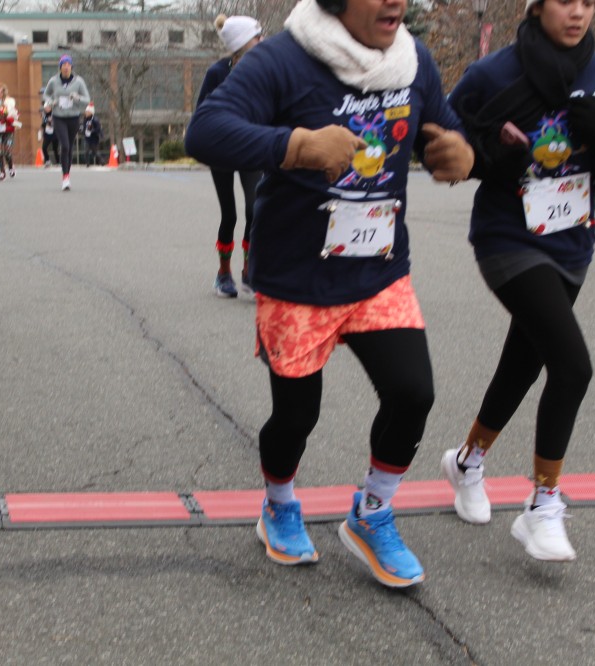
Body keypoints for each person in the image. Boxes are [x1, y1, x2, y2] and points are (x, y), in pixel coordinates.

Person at [186, 0, 473, 588]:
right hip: (297, 276)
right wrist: (294, 146)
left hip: (378, 271)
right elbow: (205, 131)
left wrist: (461, 152)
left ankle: (373, 512)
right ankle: (278, 505)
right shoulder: (284, 58)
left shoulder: (413, 61)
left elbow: (443, 127)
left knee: (413, 392)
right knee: (297, 415)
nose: (396, 2)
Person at [443, 0, 595, 562]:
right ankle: (543, 503)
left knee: (523, 363)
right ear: (536, 6)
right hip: (507, 239)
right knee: (573, 366)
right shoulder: (493, 73)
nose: (578, 13)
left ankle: (466, 462)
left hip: (571, 243)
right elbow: (442, 147)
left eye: (588, 2)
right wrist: (490, 158)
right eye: (564, 1)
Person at [196, 13, 264, 298]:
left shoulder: (264, 69)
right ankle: (223, 273)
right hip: (222, 150)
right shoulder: (217, 73)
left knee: (254, 209)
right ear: (242, 43)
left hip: (250, 148)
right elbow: (201, 113)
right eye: (257, 37)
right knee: (230, 214)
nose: (262, 40)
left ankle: (249, 272)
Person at [42, 54, 90, 191]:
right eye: (64, 64)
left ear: (71, 67)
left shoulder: (78, 81)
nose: (66, 67)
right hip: (59, 117)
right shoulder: (54, 81)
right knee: (65, 145)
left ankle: (67, 173)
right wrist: (51, 102)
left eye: (68, 65)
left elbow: (87, 99)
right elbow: (46, 94)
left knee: (69, 147)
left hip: (74, 117)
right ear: (60, 67)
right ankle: (65, 178)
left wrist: (77, 97)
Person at [0, 83, 21, 181]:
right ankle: (2, 172)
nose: (0, 93)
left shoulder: (9, 102)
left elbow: (15, 114)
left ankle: (11, 167)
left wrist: (8, 117)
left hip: (8, 130)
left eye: (2, 91)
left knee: (7, 152)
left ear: (5, 92)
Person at [40, 101, 60, 167]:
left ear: (50, 108)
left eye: (47, 108)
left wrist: (51, 122)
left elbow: (56, 122)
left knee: (55, 148)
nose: (46, 109)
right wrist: (41, 134)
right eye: (45, 108)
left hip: (54, 134)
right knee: (44, 147)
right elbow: (43, 124)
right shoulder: (44, 115)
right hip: (47, 134)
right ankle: (47, 160)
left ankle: (58, 162)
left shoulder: (54, 114)